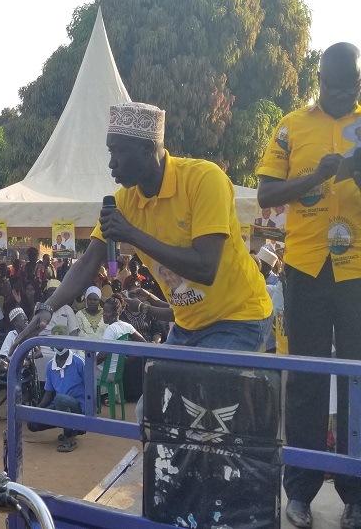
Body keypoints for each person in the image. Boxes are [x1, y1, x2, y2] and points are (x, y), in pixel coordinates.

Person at [14, 102, 272, 419]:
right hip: (188, 325)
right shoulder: (124, 201)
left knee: (208, 409)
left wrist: (132, 234)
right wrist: (46, 308)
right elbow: (88, 262)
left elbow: (205, 268)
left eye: (118, 152)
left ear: (148, 148)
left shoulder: (204, 180)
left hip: (238, 319)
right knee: (151, 413)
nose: (111, 164)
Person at [255, 42, 361, 529]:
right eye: (331, 83)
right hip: (305, 267)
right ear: (318, 77)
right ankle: (299, 492)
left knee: (357, 380)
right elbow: (267, 193)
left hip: (358, 272)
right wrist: (313, 178)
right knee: (307, 383)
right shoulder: (291, 126)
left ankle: (356, 493)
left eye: (349, 84)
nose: (340, 93)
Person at [27, 325, 86, 452]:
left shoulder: (78, 362)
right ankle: (69, 428)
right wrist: (37, 410)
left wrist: (86, 414)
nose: (59, 345)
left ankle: (69, 437)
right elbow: (49, 393)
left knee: (60, 399)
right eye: (56, 341)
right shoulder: (50, 366)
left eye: (61, 341)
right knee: (32, 424)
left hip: (77, 406)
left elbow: (90, 387)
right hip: (60, 405)